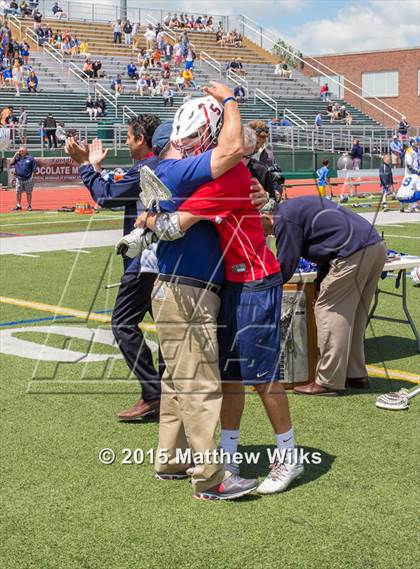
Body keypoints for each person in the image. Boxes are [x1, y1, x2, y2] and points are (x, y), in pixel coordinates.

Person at [134, 90, 303, 496]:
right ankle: (224, 457)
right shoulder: (215, 175)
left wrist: (148, 220)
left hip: (251, 281)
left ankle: (288, 454)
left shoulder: (227, 176)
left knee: (257, 376)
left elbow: (176, 226)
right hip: (228, 281)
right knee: (223, 376)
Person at [124, 87, 259, 500]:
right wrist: (231, 98)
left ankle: (171, 457)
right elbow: (234, 146)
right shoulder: (183, 171)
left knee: (175, 378)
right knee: (199, 382)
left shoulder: (168, 171)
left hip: (171, 288)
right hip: (187, 290)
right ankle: (211, 477)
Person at [65, 114, 163, 421]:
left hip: (145, 262)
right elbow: (117, 189)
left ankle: (154, 393)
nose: (125, 141)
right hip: (163, 259)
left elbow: (107, 195)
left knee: (122, 324)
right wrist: (95, 169)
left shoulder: (148, 169)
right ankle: (168, 392)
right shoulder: (159, 166)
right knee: (171, 328)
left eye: (129, 137)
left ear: (142, 140)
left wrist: (84, 166)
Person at [260, 195, 386, 396]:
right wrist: (319, 285)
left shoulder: (283, 218)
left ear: (265, 216)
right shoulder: (292, 210)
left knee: (329, 311)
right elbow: (327, 250)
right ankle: (356, 374)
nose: (264, 233)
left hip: (353, 252)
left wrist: (263, 289)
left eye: (258, 226)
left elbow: (285, 265)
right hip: (375, 247)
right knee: (353, 316)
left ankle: (328, 381)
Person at [10, 146, 37, 211]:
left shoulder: (31, 158)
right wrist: (15, 155)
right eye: (20, 151)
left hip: (28, 179)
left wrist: (32, 177)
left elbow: (34, 169)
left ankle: (29, 206)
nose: (21, 152)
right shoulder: (17, 158)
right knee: (18, 192)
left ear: (26, 151)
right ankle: (18, 205)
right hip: (19, 178)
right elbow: (11, 163)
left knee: (28, 193)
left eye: (23, 151)